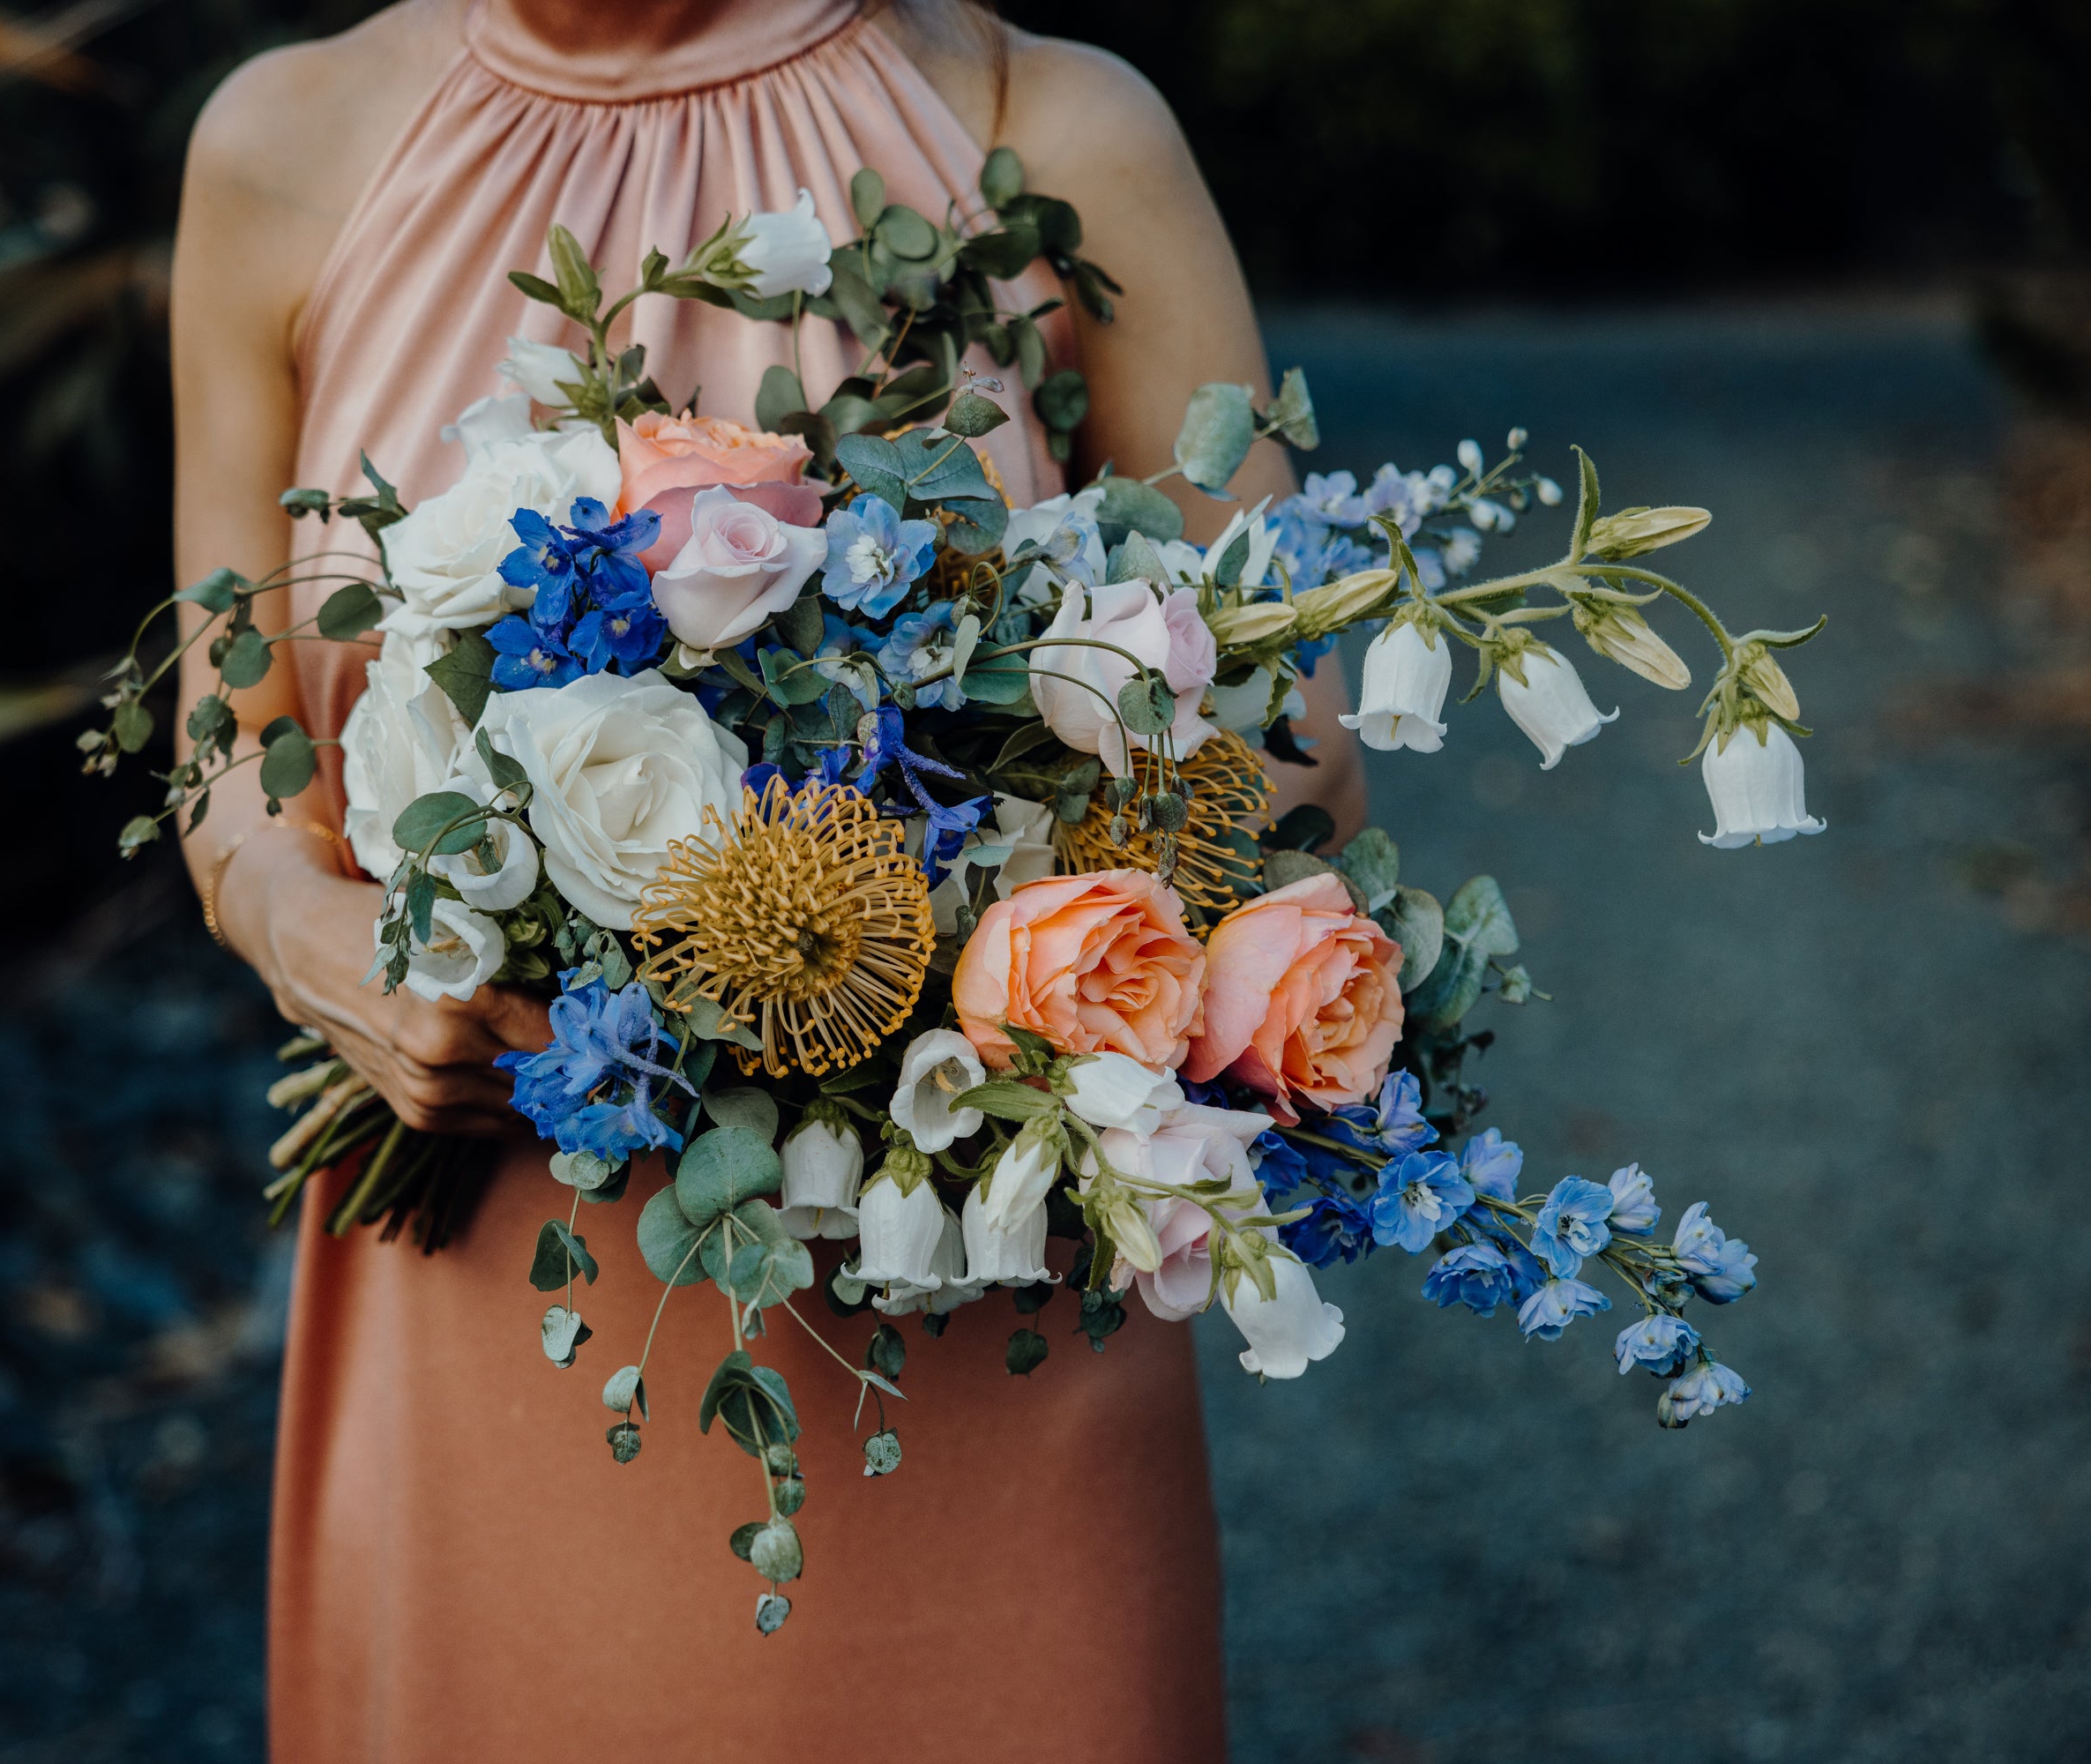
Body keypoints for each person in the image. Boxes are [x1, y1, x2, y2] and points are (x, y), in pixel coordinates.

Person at [168, 2, 1364, 1755]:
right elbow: (225, 748)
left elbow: (1294, 738)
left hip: (972, 1261)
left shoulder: (1053, 127)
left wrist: (954, 911)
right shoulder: (288, 142)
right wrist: (320, 936)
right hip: (498, 1237)